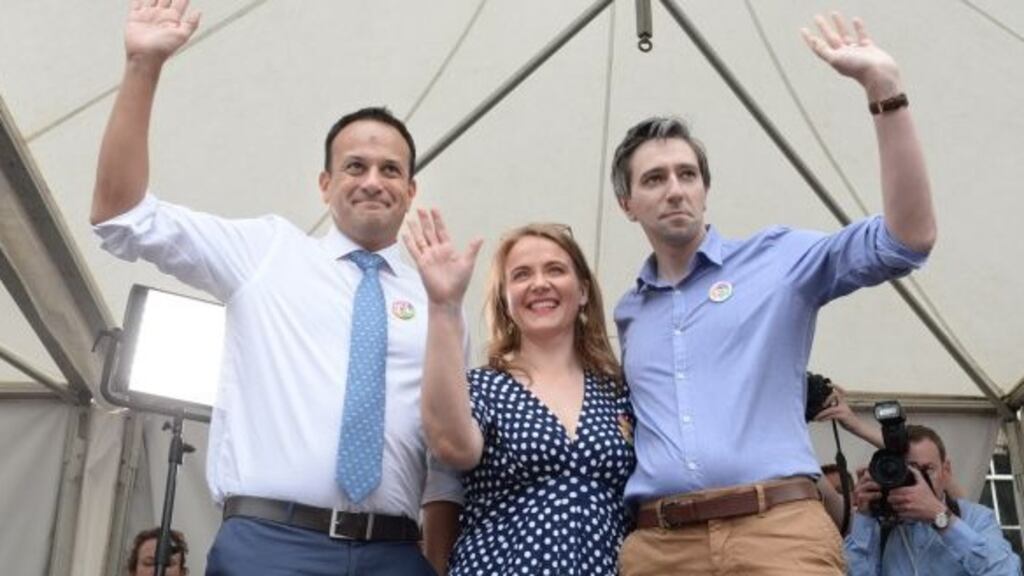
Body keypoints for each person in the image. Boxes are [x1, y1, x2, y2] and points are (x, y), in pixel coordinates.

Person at [92, 2, 462, 574]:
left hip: (394, 551)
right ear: (324, 184)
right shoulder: (266, 252)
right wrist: (143, 66)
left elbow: (445, 461)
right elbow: (122, 217)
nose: (372, 181)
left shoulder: (440, 300)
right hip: (270, 542)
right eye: (354, 166)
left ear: (411, 190)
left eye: (390, 170)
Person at [611, 12, 937, 576]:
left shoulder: (778, 258)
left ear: (706, 190)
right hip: (661, 545)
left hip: (777, 531)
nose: (675, 190)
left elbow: (906, 240)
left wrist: (885, 93)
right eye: (654, 179)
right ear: (628, 205)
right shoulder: (628, 312)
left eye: (687, 174)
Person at [403, 211, 637, 575]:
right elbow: (452, 445)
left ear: (583, 291)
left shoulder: (620, 391)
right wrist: (444, 307)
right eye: (521, 275)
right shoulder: (483, 386)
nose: (539, 283)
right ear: (505, 299)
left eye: (555, 270)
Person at [846, 425, 1021, 575]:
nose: (919, 479)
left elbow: (1007, 572)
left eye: (926, 469)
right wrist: (864, 517)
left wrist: (942, 519)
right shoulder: (880, 524)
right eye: (909, 471)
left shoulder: (975, 518)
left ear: (946, 470)